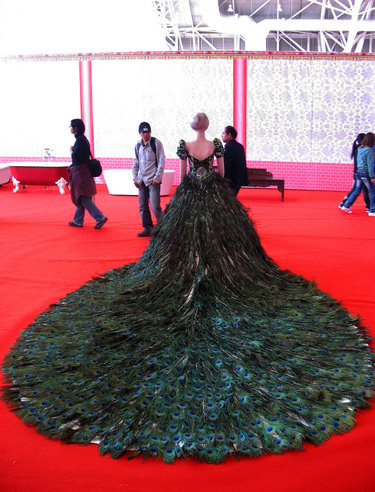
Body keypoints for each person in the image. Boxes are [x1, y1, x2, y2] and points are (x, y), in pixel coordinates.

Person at [2, 113, 374, 464]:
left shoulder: (185, 146)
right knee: (225, 239)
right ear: (208, 128)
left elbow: (183, 173)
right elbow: (222, 173)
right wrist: (213, 182)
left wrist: (191, 184)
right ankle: (219, 269)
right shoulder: (214, 145)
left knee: (180, 239)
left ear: (192, 128)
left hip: (191, 196)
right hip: (214, 196)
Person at [68, 119, 107, 229]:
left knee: (82, 196)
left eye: (71, 127)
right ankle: (78, 220)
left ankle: (100, 217)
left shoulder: (80, 141)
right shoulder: (83, 139)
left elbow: (76, 157)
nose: (70, 129)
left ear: (75, 128)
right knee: (82, 196)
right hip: (84, 171)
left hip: (80, 172)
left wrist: (71, 151)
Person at [133, 122, 165, 237]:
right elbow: (136, 162)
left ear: (150, 132)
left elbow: (161, 161)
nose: (145, 134)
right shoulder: (138, 145)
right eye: (143, 132)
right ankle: (148, 227)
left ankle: (164, 228)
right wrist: (135, 178)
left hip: (153, 180)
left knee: (155, 206)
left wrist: (157, 178)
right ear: (140, 133)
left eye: (147, 132)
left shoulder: (156, 143)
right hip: (142, 181)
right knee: (142, 206)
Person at [341, 132, 375, 216]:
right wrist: (372, 176)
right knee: (372, 191)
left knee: (357, 189)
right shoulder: (370, 150)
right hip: (366, 172)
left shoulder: (360, 148)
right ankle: (372, 210)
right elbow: (370, 164)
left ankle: (346, 205)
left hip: (359, 172)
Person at [221, 125, 248, 195]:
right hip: (238, 180)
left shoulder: (228, 148)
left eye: (223, 133)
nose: (222, 135)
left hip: (230, 181)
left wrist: (222, 180)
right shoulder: (240, 147)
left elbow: (227, 166)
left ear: (229, 135)